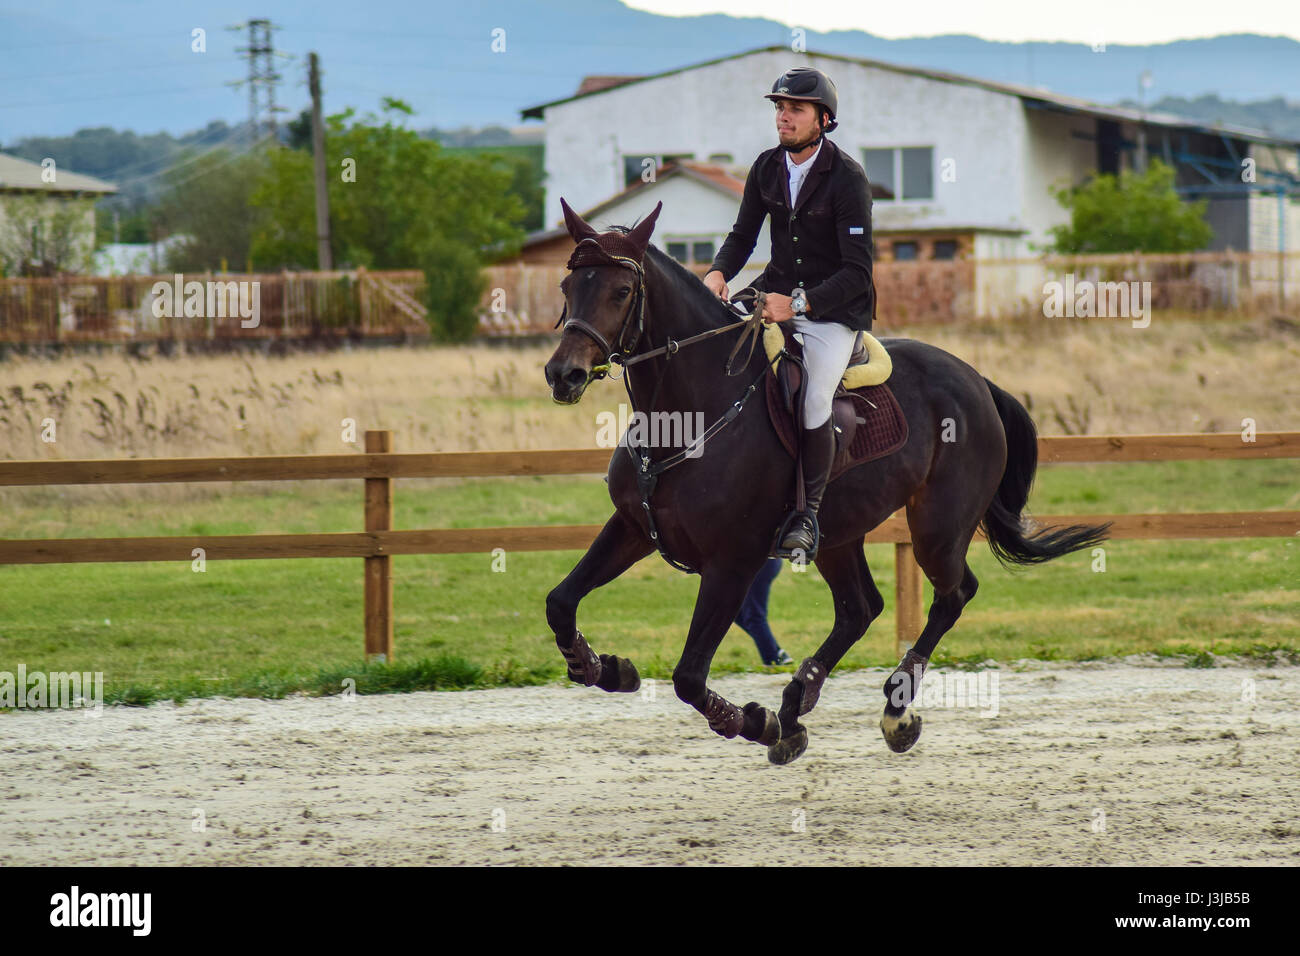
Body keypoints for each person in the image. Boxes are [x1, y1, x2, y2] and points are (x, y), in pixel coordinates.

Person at [704, 66, 877, 559]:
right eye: (779, 107)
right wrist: (719, 273)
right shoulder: (765, 167)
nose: (783, 116)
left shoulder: (848, 179)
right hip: (773, 294)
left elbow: (858, 273)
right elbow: (742, 236)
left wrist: (797, 304)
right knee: (722, 362)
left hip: (834, 311)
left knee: (814, 400)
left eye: (795, 109)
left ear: (823, 119)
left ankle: (807, 514)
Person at [734, 557, 793, 665]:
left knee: (754, 617)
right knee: (732, 609)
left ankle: (773, 661)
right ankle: (777, 653)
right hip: (749, 562)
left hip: (762, 561)